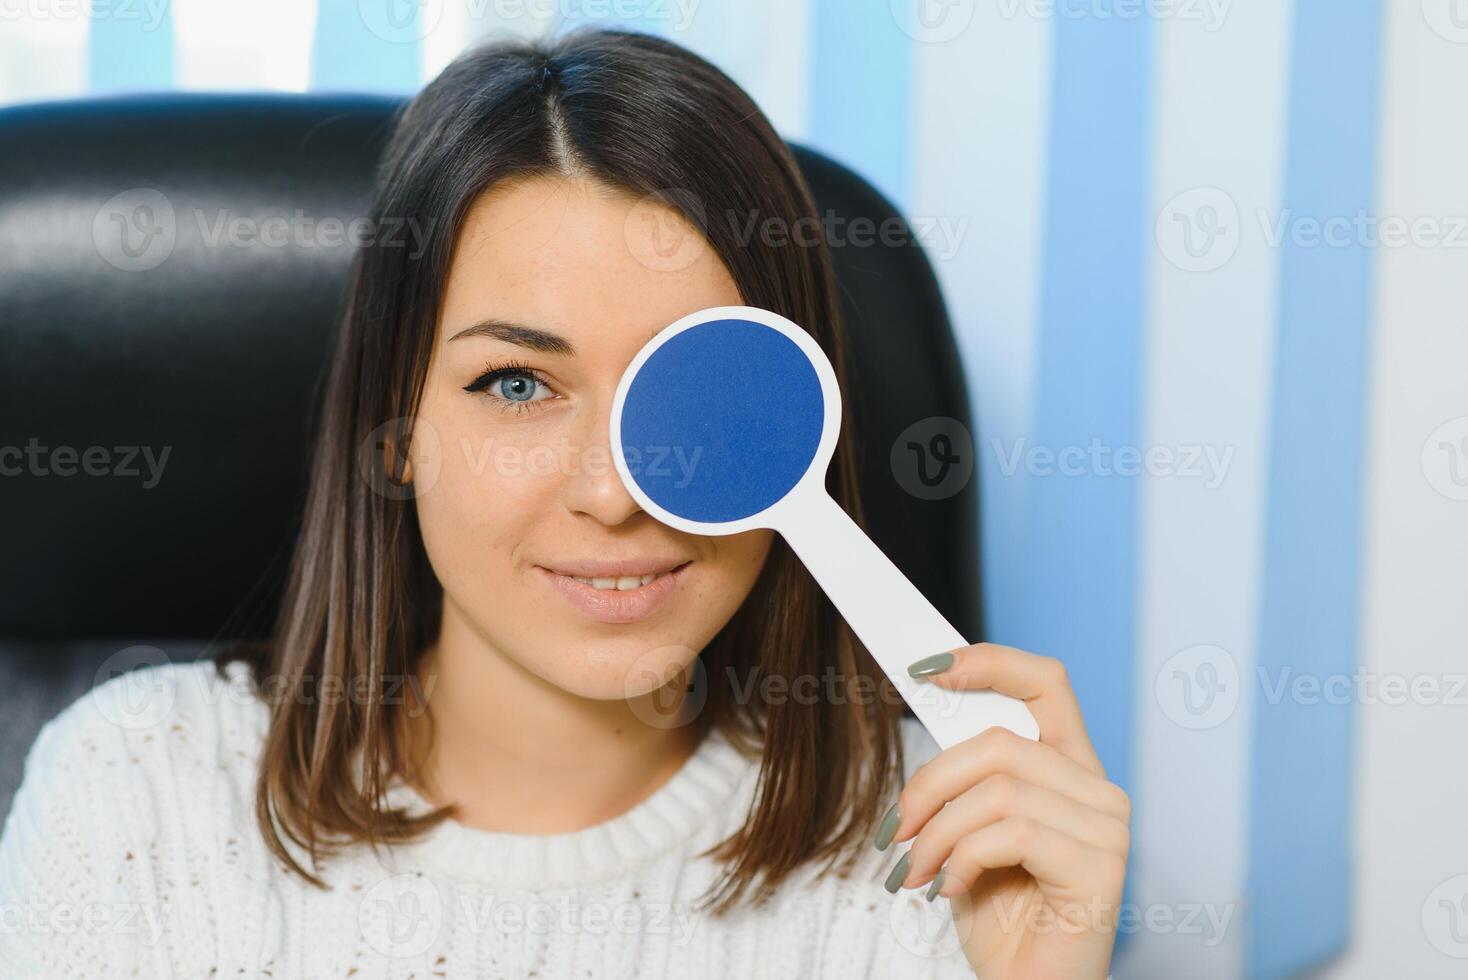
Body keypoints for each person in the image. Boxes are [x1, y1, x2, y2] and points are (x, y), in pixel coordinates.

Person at [0, 27, 1129, 979]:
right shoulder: (135, 792)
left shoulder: (939, 844)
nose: (612, 492)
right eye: (517, 384)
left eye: (687, 396)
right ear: (392, 429)